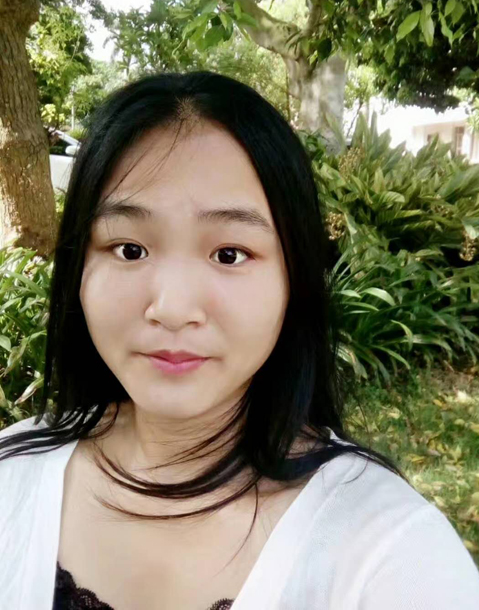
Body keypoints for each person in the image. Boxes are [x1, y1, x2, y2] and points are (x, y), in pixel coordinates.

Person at [1, 71, 478, 610]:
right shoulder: (12, 478)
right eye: (130, 249)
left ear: (294, 278)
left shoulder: (393, 557)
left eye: (229, 254)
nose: (172, 308)